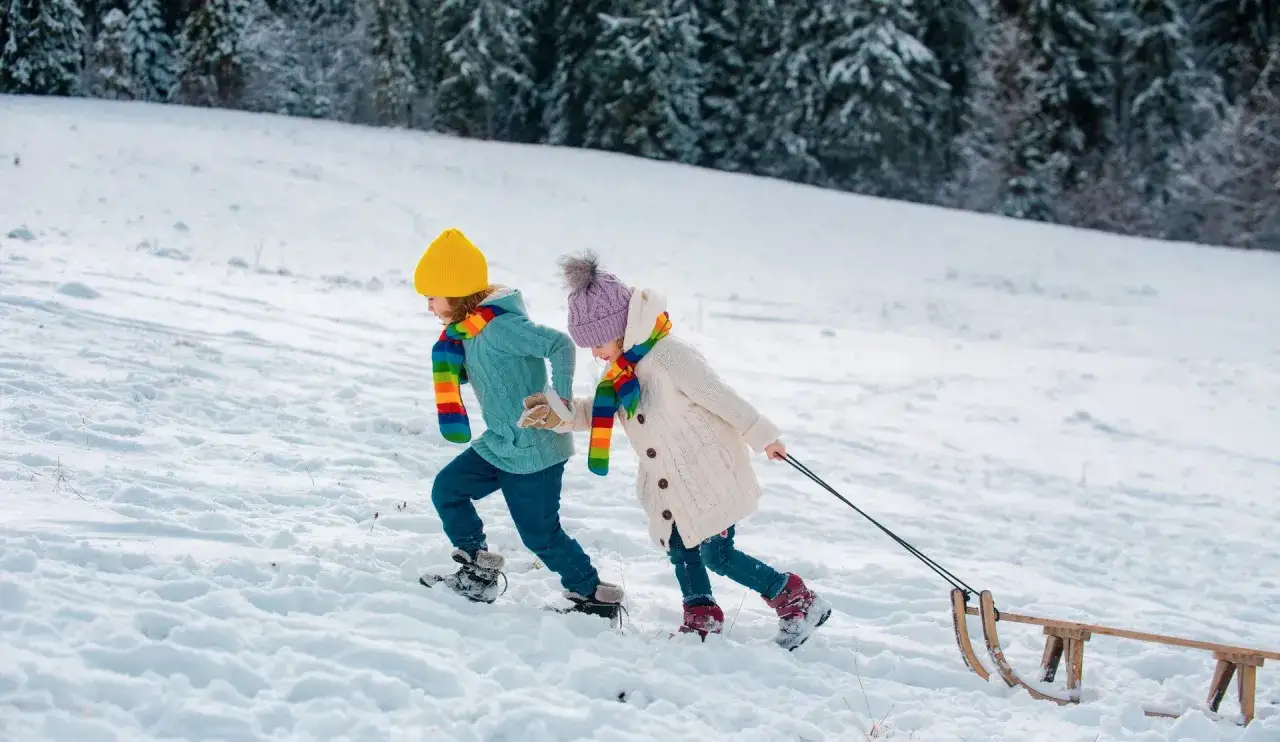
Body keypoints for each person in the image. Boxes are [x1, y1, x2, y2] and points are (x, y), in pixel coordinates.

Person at [519, 251, 832, 649]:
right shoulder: (623, 371)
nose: (594, 353)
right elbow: (601, 410)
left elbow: (719, 395)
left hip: (707, 476)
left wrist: (762, 435)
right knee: (680, 546)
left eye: (598, 342)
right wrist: (559, 415)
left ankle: (795, 598)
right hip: (670, 482)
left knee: (717, 554)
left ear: (620, 328)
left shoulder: (669, 356)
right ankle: (702, 616)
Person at [413, 228, 623, 619]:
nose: (428, 306)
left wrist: (560, 401)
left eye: (431, 297)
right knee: (448, 490)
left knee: (540, 535)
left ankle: (595, 597)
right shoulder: (467, 331)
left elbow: (559, 345)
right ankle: (478, 573)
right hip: (501, 443)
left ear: (455, 292)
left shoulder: (500, 327)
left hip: (535, 449)